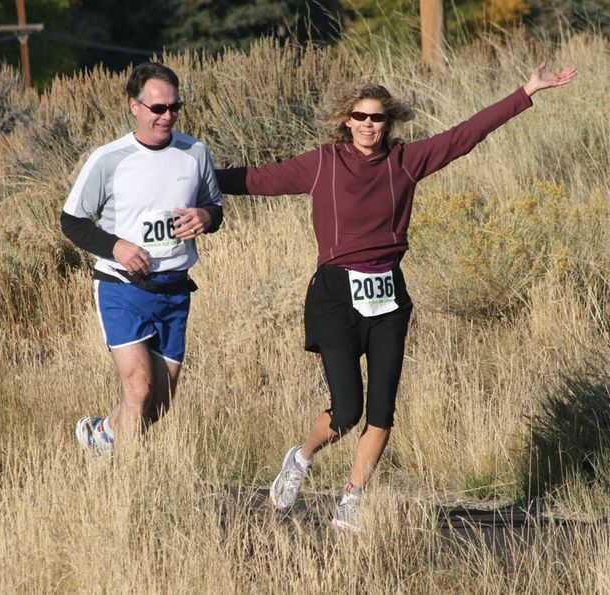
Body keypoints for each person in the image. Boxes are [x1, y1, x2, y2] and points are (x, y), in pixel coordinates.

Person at [215, 63, 577, 531]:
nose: (370, 125)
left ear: (390, 122)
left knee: (382, 410)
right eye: (361, 117)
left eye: (379, 118)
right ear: (347, 120)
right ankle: (301, 459)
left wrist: (526, 91)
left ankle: (352, 497)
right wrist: (191, 171)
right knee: (347, 411)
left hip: (388, 293)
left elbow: (467, 134)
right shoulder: (323, 162)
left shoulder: (406, 161)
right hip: (334, 295)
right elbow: (257, 180)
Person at [61, 62, 223, 453]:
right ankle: (128, 487)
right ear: (134, 106)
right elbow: (72, 221)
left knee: (159, 403)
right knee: (139, 388)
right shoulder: (110, 158)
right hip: (122, 288)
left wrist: (205, 216)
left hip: (174, 289)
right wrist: (115, 246)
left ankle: (101, 434)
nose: (167, 116)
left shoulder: (194, 152)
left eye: (174, 107)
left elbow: (213, 207)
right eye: (157, 108)